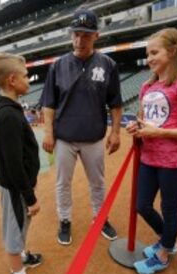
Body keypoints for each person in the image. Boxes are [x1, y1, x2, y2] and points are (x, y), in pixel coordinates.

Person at [125, 27, 177, 274]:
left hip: (171, 162)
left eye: (154, 52)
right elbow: (144, 119)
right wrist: (136, 126)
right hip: (148, 158)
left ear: (172, 51)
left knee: (170, 209)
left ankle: (163, 254)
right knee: (142, 206)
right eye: (147, 53)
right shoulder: (146, 86)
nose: (149, 58)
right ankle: (167, 241)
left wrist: (160, 133)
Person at [40, 9, 123, 245]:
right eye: (76, 34)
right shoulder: (58, 66)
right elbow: (49, 104)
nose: (79, 40)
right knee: (62, 183)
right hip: (64, 139)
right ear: (70, 35)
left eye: (85, 35)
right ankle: (64, 220)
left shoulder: (108, 65)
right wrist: (48, 132)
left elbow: (115, 104)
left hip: (94, 138)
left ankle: (100, 218)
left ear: (96, 36)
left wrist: (116, 132)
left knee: (97, 183)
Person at [0, 53, 50, 274]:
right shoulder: (8, 116)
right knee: (14, 234)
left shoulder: (8, 109)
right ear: (12, 80)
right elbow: (13, 164)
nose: (29, 81)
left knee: (22, 223)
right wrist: (30, 196)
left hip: (18, 185)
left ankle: (22, 255)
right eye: (25, 77)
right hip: (16, 187)